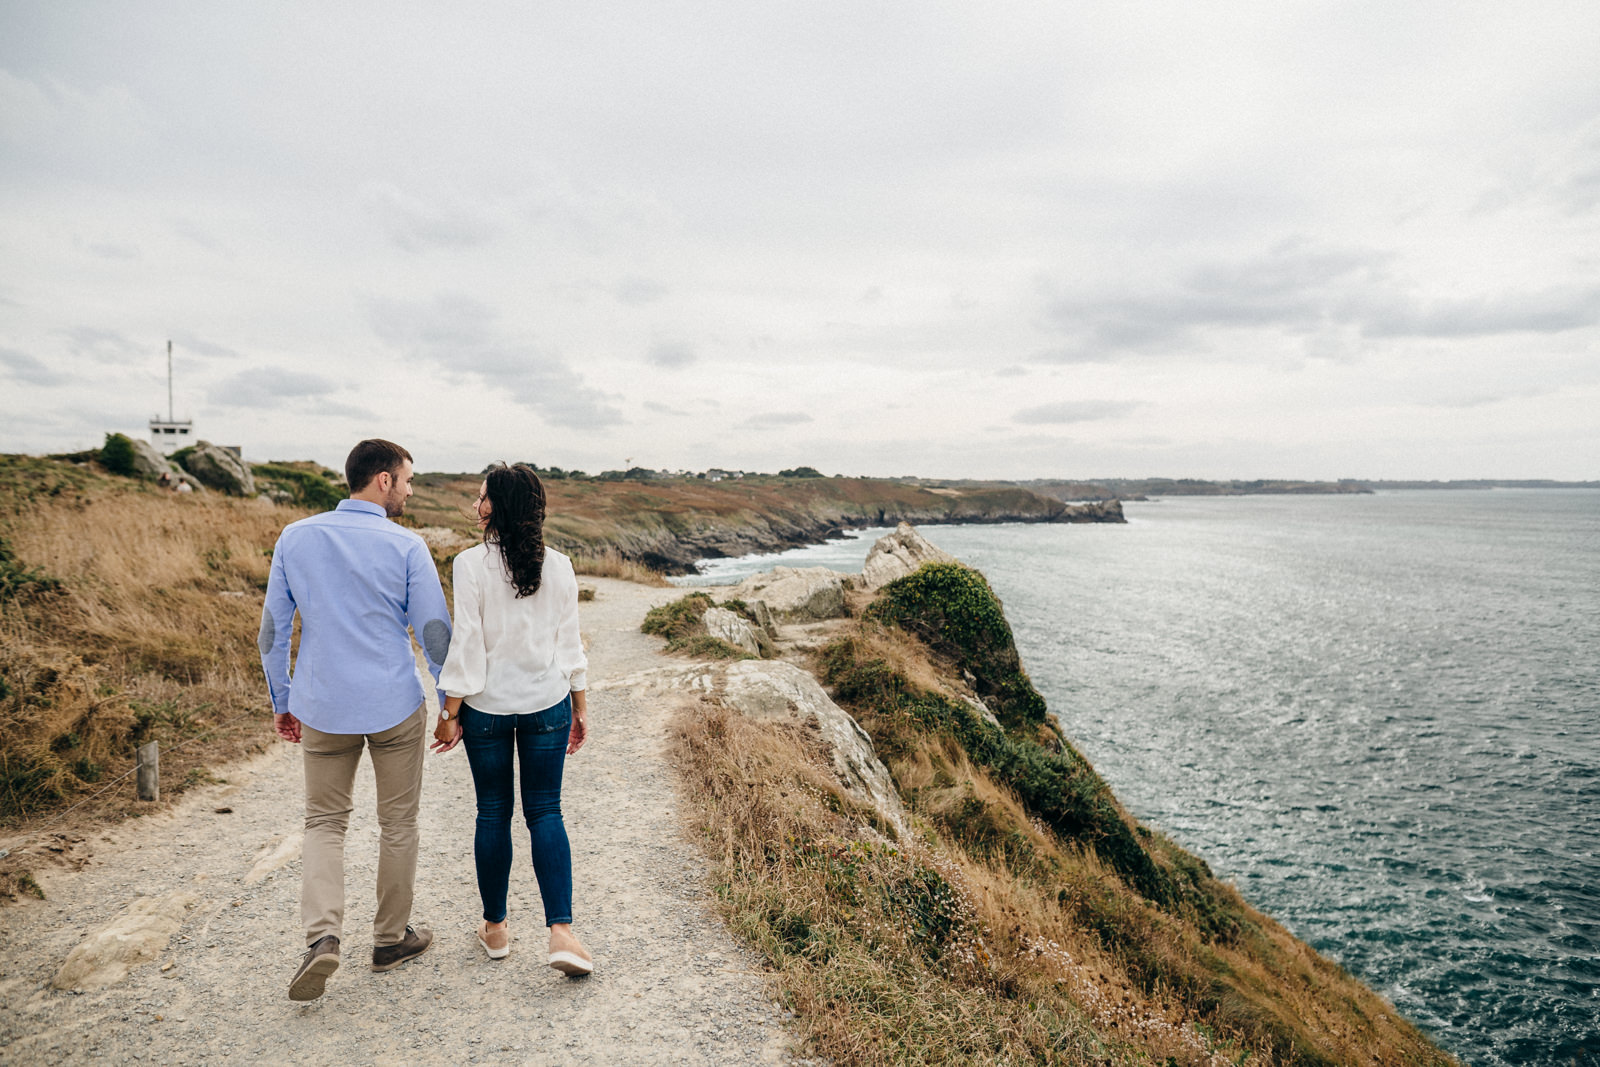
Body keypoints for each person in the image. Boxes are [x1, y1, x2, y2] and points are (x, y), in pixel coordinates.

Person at [258, 438, 451, 1002]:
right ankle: (390, 940)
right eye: (408, 480)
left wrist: (282, 700)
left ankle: (323, 939)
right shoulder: (408, 546)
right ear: (384, 480)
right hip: (393, 703)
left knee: (324, 823)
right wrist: (449, 705)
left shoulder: (296, 537)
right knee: (398, 824)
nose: (411, 491)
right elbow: (434, 634)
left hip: (321, 704)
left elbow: (272, 632)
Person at [431, 462, 592, 976]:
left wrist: (448, 712)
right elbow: (570, 645)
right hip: (548, 705)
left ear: (496, 507)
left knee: (492, 812)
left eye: (482, 497)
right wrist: (581, 705)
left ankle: (496, 929)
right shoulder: (561, 564)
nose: (476, 505)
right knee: (546, 811)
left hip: (486, 711)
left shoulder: (470, 564)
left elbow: (467, 646)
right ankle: (561, 933)